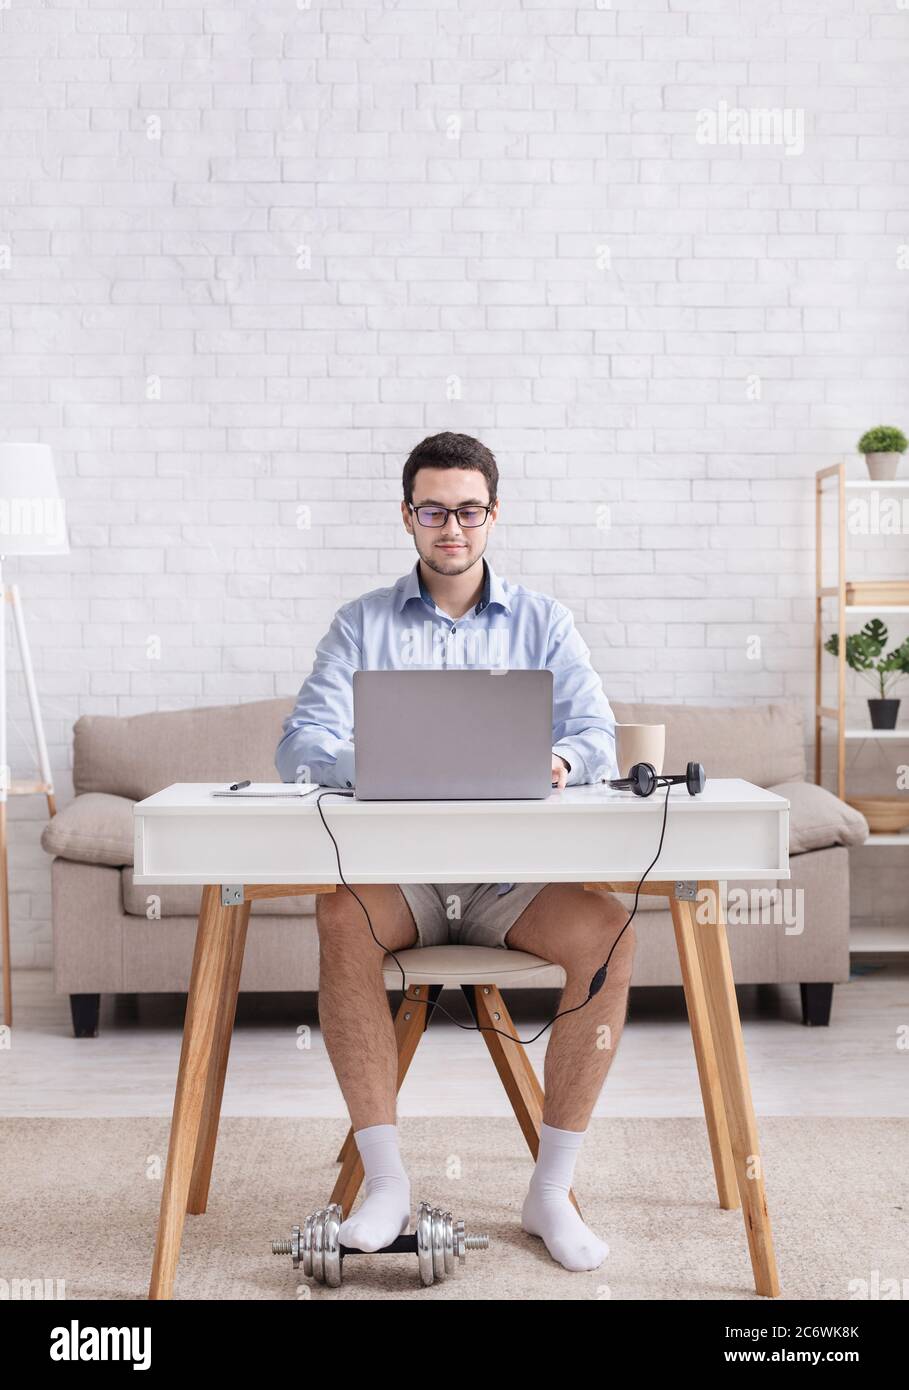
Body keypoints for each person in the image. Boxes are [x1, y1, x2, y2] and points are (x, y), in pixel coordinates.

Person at [275, 432, 634, 1272]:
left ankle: (550, 1190)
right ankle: (386, 1181)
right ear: (407, 516)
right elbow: (300, 746)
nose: (451, 527)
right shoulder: (359, 622)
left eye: (468, 510)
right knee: (339, 914)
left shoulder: (546, 621)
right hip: (403, 880)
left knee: (611, 930)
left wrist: (556, 761)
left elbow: (597, 738)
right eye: (433, 510)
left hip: (511, 882)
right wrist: (392, 762)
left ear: (492, 516)